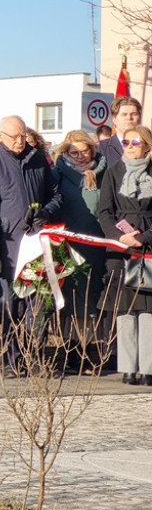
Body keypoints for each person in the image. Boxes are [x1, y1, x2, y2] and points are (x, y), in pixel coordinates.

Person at [0, 115, 62, 376]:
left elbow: (56, 194)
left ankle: (36, 358)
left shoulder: (37, 160)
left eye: (23, 135)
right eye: (14, 136)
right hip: (8, 247)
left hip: (37, 244)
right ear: (0, 137)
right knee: (9, 307)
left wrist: (45, 212)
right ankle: (11, 360)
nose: (19, 140)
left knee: (39, 307)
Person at [97, 124, 152, 386]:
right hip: (119, 249)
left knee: (148, 310)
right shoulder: (113, 172)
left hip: (148, 247)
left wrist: (143, 237)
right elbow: (104, 211)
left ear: (147, 145)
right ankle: (128, 367)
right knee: (125, 310)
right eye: (127, 142)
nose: (129, 147)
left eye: (136, 142)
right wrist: (120, 237)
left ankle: (148, 367)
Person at [51, 130, 108, 373]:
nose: (80, 156)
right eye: (74, 152)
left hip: (96, 244)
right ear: (65, 152)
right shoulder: (58, 173)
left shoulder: (104, 171)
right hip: (67, 244)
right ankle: (67, 351)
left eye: (84, 151)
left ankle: (87, 350)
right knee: (68, 300)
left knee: (90, 301)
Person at [99, 96, 142, 167]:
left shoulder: (148, 147)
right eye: (124, 114)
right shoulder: (102, 148)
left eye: (134, 114)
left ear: (140, 118)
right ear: (114, 119)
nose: (129, 118)